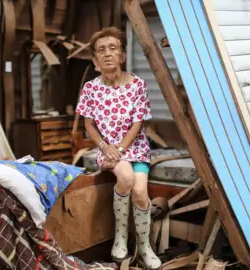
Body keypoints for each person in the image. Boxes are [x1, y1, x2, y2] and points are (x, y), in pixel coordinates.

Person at [75, 26, 161, 270]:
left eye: (113, 48)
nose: (108, 53)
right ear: (95, 60)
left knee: (141, 192)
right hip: (109, 148)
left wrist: (120, 150)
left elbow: (138, 124)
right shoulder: (91, 89)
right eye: (101, 50)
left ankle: (144, 247)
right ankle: (120, 238)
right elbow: (88, 125)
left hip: (135, 148)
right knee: (125, 177)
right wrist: (105, 146)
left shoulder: (138, 85)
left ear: (122, 56)